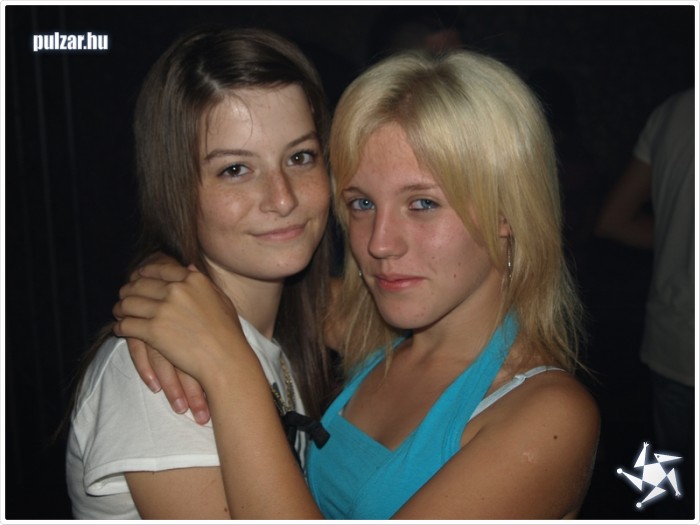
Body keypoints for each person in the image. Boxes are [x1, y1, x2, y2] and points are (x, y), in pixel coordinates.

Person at [115, 49, 600, 519]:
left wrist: (231, 370)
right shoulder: (366, 325)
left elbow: (227, 334)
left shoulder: (549, 416)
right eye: (362, 204)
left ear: (507, 211)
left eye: (423, 204)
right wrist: (167, 267)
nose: (379, 244)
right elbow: (235, 285)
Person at [65, 27, 337, 519]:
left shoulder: (277, 335)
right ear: (177, 187)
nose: (283, 198)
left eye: (300, 157)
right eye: (235, 169)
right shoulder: (160, 376)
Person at [596, 88, 695, 519]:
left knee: (668, 487)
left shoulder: (674, 110)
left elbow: (611, 220)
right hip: (669, 342)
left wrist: (679, 238)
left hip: (671, 342)